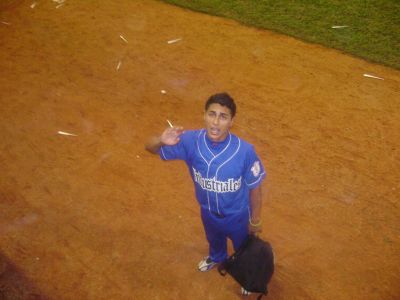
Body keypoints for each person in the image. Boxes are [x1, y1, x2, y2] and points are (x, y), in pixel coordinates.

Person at [145, 92, 266, 276]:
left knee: (243, 249)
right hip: (207, 211)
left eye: (223, 117)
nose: (215, 122)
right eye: (212, 114)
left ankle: (246, 274)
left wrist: (255, 220)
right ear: (204, 115)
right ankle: (217, 257)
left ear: (232, 121)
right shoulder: (189, 141)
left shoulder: (245, 151)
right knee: (214, 240)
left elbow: (255, 187)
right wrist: (160, 141)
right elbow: (150, 148)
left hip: (238, 216)